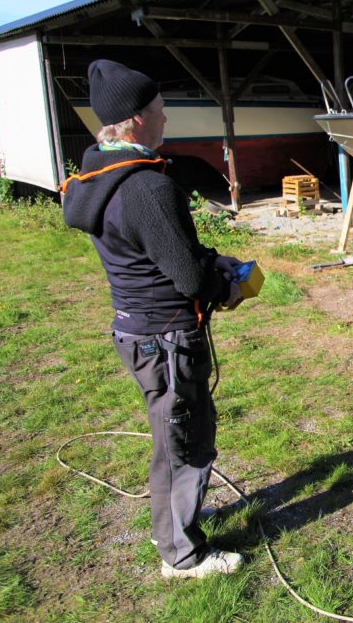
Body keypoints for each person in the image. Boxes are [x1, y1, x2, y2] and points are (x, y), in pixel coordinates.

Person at [61, 59, 244, 579]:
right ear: (138, 120)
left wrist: (211, 259)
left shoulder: (97, 175)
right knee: (182, 441)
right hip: (166, 338)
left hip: (136, 330)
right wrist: (223, 286)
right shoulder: (147, 188)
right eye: (161, 111)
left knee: (175, 434)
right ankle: (181, 555)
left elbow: (162, 252)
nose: (166, 120)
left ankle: (175, 520)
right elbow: (188, 279)